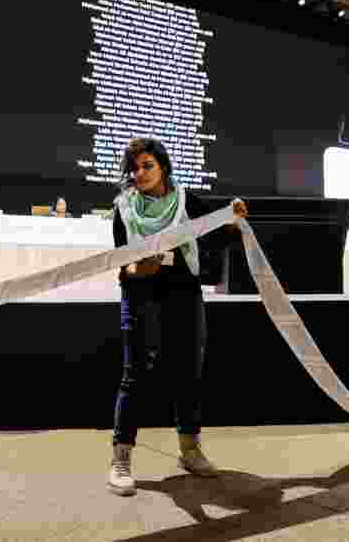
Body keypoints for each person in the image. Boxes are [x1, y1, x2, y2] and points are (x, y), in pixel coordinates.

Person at [108, 137, 248, 497]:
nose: (139, 173)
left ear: (164, 167)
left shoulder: (188, 201)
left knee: (188, 372)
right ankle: (120, 460)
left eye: (147, 166)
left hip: (184, 294)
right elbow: (122, 265)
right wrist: (142, 268)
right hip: (140, 295)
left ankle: (189, 450)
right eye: (135, 168)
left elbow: (215, 238)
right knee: (134, 375)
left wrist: (232, 221)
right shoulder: (123, 207)